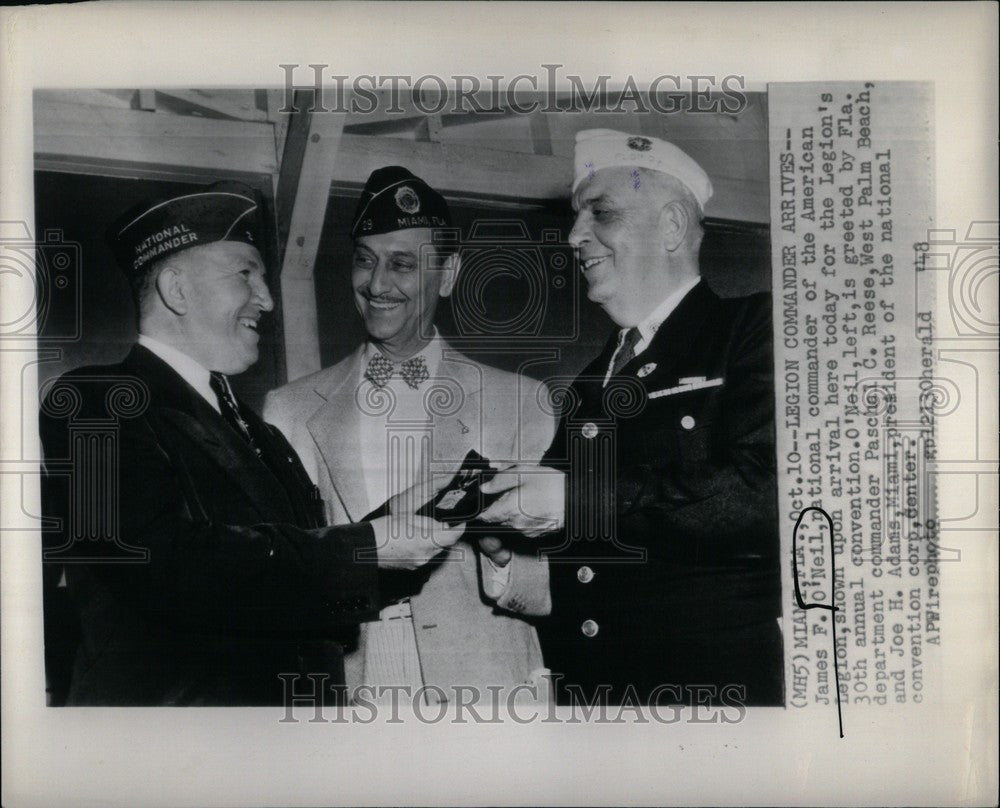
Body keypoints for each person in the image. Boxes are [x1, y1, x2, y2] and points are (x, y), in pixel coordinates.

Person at [39, 181, 462, 707]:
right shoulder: (94, 402)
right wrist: (364, 546)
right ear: (176, 289)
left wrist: (397, 530)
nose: (265, 298)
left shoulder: (261, 433)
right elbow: (166, 564)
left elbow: (290, 578)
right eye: (245, 273)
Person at [478, 129, 783, 706]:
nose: (574, 236)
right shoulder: (592, 381)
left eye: (603, 213)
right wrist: (510, 554)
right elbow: (591, 569)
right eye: (575, 219)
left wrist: (577, 499)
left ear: (670, 228)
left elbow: (766, 496)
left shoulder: (751, 331)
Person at [264, 166, 554, 705]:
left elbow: (559, 586)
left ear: (448, 275)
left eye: (401, 264)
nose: (376, 285)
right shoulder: (287, 410)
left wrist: (501, 556)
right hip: (358, 680)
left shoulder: (523, 403)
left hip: (489, 686)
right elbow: (284, 579)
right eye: (364, 260)